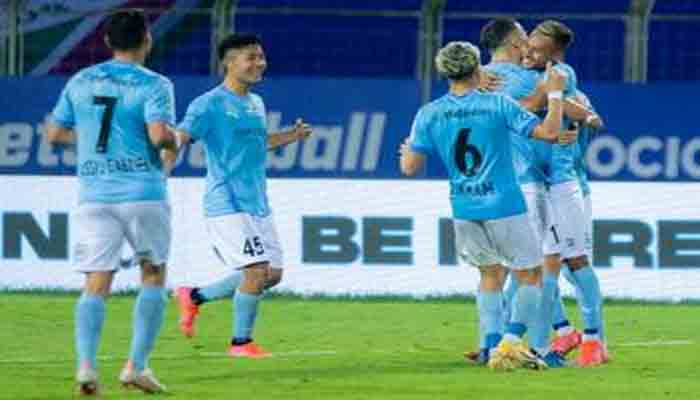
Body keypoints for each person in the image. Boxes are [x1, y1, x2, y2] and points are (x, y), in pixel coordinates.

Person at [399, 40, 571, 371]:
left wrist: (407, 150)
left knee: (489, 274)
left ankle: (490, 345)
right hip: (504, 204)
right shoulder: (497, 104)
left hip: (464, 207)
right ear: (477, 68)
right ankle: (510, 343)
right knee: (530, 274)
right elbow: (550, 132)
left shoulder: (429, 113)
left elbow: (409, 167)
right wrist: (554, 94)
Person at [47, 9, 176, 395]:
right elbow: (158, 135)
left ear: (107, 41)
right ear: (147, 39)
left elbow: (55, 134)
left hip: (94, 195)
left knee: (96, 281)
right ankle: (136, 366)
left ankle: (86, 368)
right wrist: (174, 141)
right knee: (153, 274)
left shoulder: (80, 80)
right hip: (143, 193)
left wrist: (88, 141)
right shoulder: (155, 84)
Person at [173, 33, 312, 358]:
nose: (259, 63)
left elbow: (257, 144)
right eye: (251, 57)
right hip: (227, 202)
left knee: (271, 275)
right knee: (255, 271)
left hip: (257, 202)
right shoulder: (208, 104)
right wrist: (160, 151)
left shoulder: (255, 103)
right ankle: (240, 343)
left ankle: (194, 297)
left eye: (261, 57)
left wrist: (291, 135)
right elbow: (181, 135)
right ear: (229, 62)